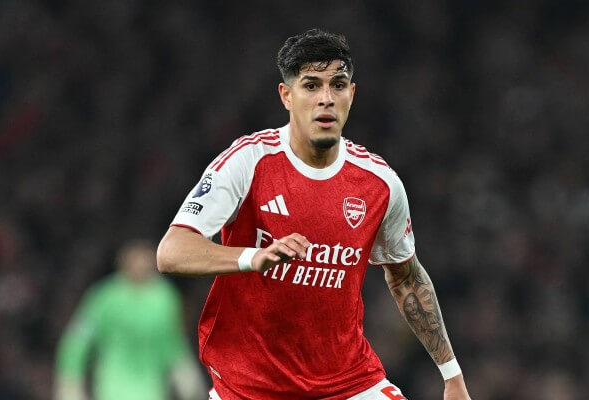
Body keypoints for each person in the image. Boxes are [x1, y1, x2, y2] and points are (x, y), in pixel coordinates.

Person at [157, 29, 471, 400]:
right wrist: (253, 257)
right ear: (286, 95)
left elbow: (406, 278)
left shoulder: (380, 184)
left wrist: (452, 376)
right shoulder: (248, 161)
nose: (326, 98)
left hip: (348, 383)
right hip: (249, 388)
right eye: (311, 85)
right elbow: (171, 252)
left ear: (352, 94)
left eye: (338, 85)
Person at [55, 240, 205, 400]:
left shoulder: (164, 298)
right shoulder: (106, 297)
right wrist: (69, 383)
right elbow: (78, 341)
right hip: (112, 390)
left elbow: (173, 343)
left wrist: (186, 375)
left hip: (151, 391)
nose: (140, 264)